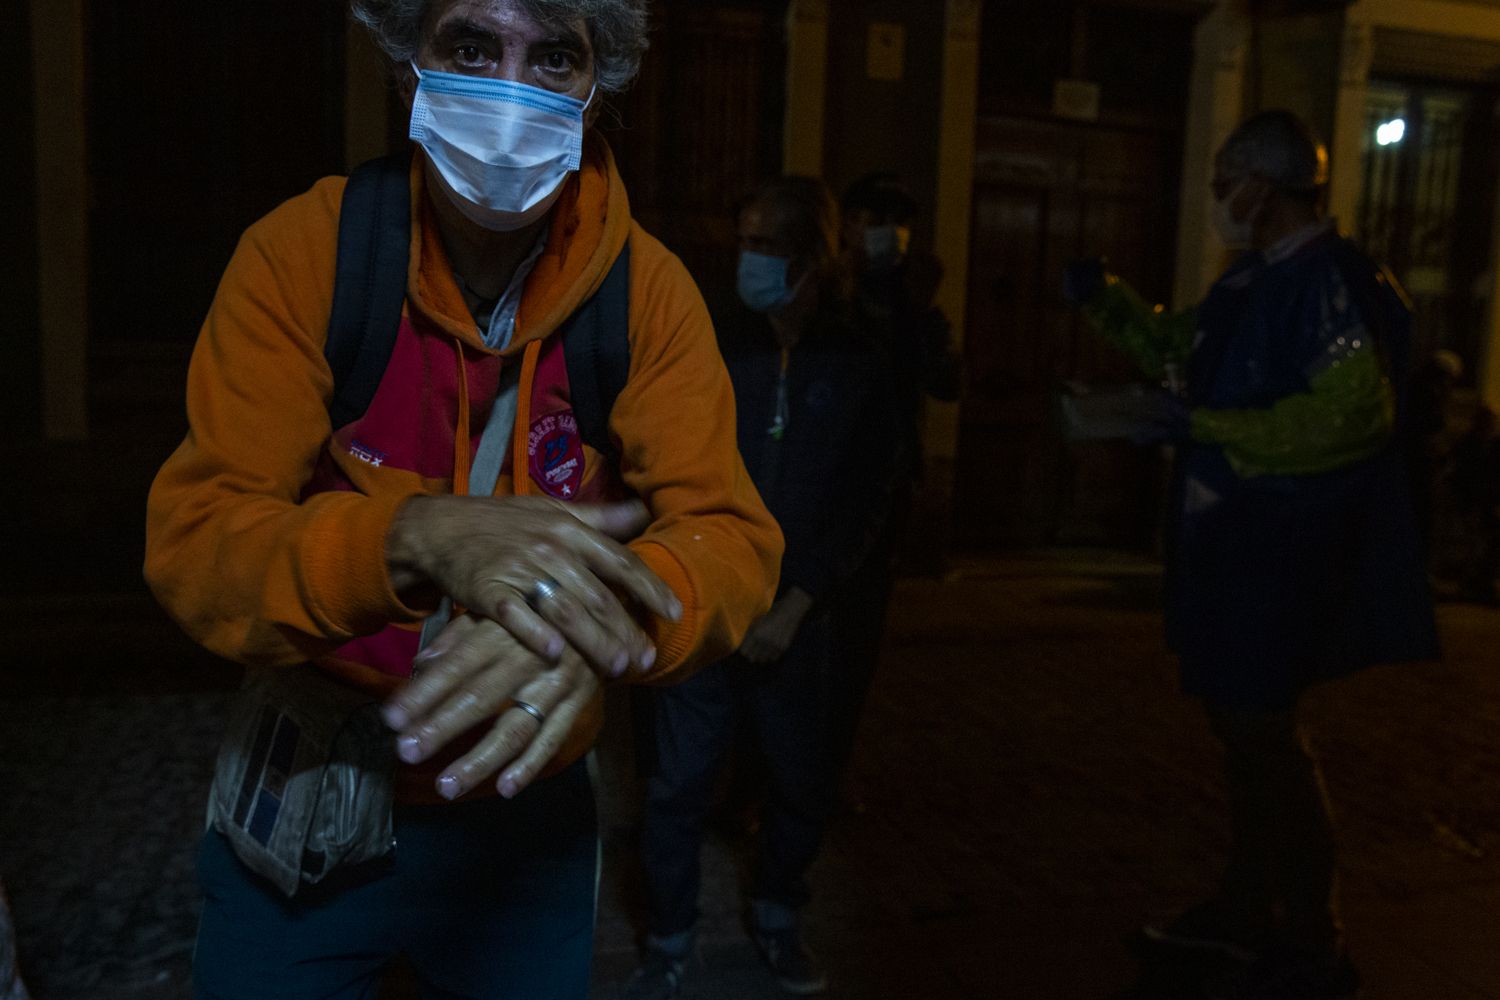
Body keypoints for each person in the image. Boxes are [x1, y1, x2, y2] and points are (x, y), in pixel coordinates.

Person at [143, 2, 783, 997]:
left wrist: (597, 619)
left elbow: (731, 540)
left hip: (527, 822)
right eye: (473, 46)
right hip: (315, 785)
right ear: (410, 64)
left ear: (598, 86)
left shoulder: (645, 296)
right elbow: (198, 542)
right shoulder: (305, 256)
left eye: (554, 54)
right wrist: (410, 537)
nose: (508, 89)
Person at [1064, 110, 1439, 1000]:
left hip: (1282, 554)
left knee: (1266, 737)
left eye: (1224, 175)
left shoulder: (1327, 283)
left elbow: (1350, 419)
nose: (1216, 195)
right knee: (1244, 736)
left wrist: (1199, 425)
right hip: (1237, 550)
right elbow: (1182, 347)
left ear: (1261, 186)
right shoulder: (1256, 283)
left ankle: (1310, 934)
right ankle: (1249, 909)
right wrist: (1110, 306)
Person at [623, 178, 891, 999]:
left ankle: (778, 916)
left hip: (797, 625)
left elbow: (869, 495)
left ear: (814, 259)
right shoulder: (709, 338)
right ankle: (666, 938)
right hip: (701, 610)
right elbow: (667, 460)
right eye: (744, 240)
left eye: (769, 246)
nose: (751, 260)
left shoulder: (859, 356)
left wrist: (802, 599)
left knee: (799, 783)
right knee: (675, 786)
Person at [827, 173, 959, 790]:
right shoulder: (825, 293)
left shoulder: (913, 303)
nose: (879, 235)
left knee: (854, 639)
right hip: (813, 479)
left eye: (892, 223)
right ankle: (759, 781)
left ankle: (826, 774)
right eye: (868, 219)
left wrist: (920, 310)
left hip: (881, 490)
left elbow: (945, 383)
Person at [1450, 406, 1500, 603]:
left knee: (1488, 545)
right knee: (1476, 546)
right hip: (1474, 502)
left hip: (1488, 503)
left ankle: (1482, 585)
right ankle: (1474, 585)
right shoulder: (1468, 446)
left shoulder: (1494, 446)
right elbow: (1464, 476)